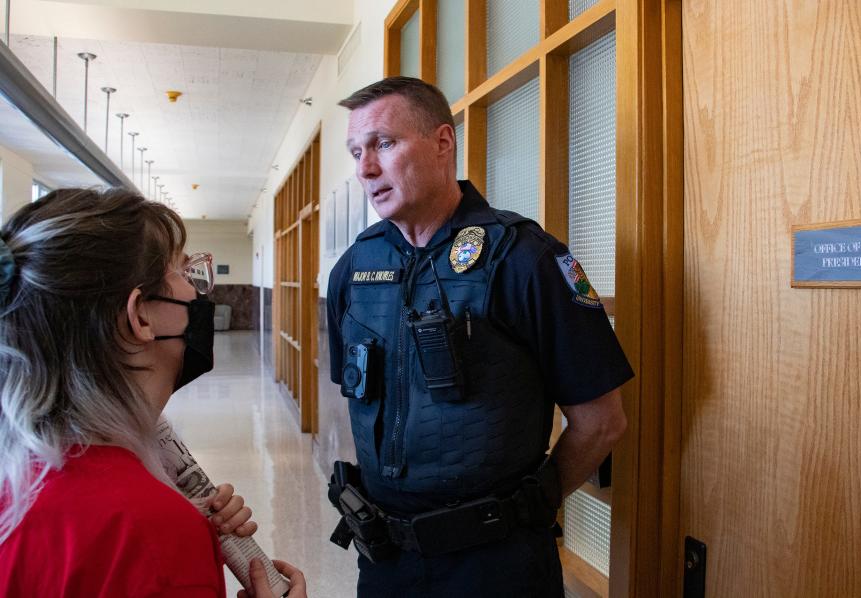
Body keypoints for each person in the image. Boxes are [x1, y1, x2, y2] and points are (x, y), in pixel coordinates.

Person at [326, 76, 633, 596]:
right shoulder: (355, 266)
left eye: (384, 143)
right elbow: (353, 400)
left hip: (496, 566)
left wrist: (525, 508)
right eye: (357, 151)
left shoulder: (524, 257)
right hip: (384, 560)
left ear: (444, 142)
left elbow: (601, 422)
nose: (365, 168)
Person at [0, 188, 306, 597]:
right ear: (140, 315)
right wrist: (174, 531)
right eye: (183, 272)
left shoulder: (20, 482)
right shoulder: (155, 536)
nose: (199, 292)